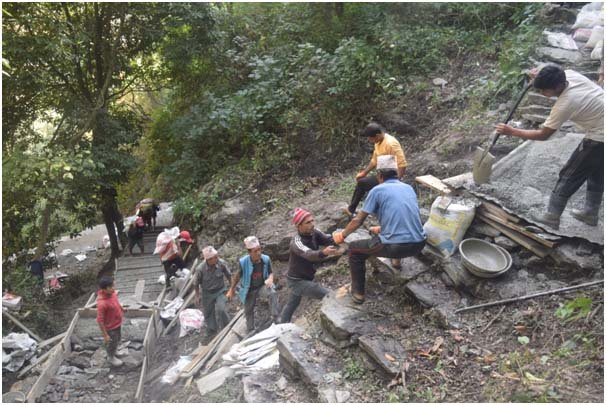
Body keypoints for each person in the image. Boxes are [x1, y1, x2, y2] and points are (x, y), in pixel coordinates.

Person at [496, 65, 603, 230]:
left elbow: (543, 135)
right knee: (596, 172)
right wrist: (538, 73)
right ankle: (590, 213)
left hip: (600, 137)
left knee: (570, 174)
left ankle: (551, 218)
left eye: (543, 90)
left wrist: (512, 131)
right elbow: (552, 71)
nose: (541, 94)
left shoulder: (566, 103)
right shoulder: (569, 75)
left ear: (558, 87)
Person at [333, 155, 426, 304]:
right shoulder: (408, 188)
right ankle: (396, 263)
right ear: (396, 174)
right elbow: (403, 216)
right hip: (420, 243)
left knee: (354, 250)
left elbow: (358, 220)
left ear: (380, 176)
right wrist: (382, 228)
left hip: (395, 246)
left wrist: (342, 235)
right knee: (390, 236)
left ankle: (358, 294)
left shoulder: (377, 190)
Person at [280, 208, 342, 323]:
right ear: (299, 225)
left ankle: (282, 325)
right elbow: (308, 254)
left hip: (305, 277)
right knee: (328, 295)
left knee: (292, 304)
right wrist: (324, 253)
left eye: (312, 221)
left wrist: (342, 235)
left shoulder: (314, 232)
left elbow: (328, 239)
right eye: (308, 222)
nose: (312, 224)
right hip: (297, 281)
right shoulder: (296, 242)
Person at [343, 123, 408, 217]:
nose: (369, 141)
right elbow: (374, 160)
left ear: (377, 135)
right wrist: (364, 173)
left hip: (391, 178)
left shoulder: (391, 143)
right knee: (362, 182)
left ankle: (365, 211)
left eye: (370, 138)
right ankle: (352, 209)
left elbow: (402, 164)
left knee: (365, 185)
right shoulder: (378, 143)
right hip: (382, 175)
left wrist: (396, 182)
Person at [226, 236, 280, 332]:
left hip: (261, 286)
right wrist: (231, 289)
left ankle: (276, 317)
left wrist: (270, 279)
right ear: (249, 252)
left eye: (259, 249)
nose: (259, 253)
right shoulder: (243, 262)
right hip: (249, 289)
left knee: (272, 292)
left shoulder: (265, 259)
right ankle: (251, 330)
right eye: (255, 251)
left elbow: (270, 272)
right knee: (248, 311)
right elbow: (237, 276)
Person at [194, 246, 232, 337]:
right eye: (214, 258)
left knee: (221, 309)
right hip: (207, 293)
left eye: (216, 256)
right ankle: (212, 331)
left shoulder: (221, 263)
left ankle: (227, 327)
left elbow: (229, 275)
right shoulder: (200, 269)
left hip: (220, 290)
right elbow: (196, 283)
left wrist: (232, 289)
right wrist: (197, 295)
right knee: (208, 313)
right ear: (208, 260)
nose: (217, 259)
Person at [96, 276, 126, 367]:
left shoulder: (112, 294)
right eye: (111, 287)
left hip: (117, 323)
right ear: (104, 289)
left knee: (117, 339)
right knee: (111, 343)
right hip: (110, 328)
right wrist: (105, 335)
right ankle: (111, 357)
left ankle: (115, 351)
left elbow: (116, 302)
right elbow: (100, 320)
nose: (114, 288)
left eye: (113, 286)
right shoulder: (102, 304)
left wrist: (121, 308)